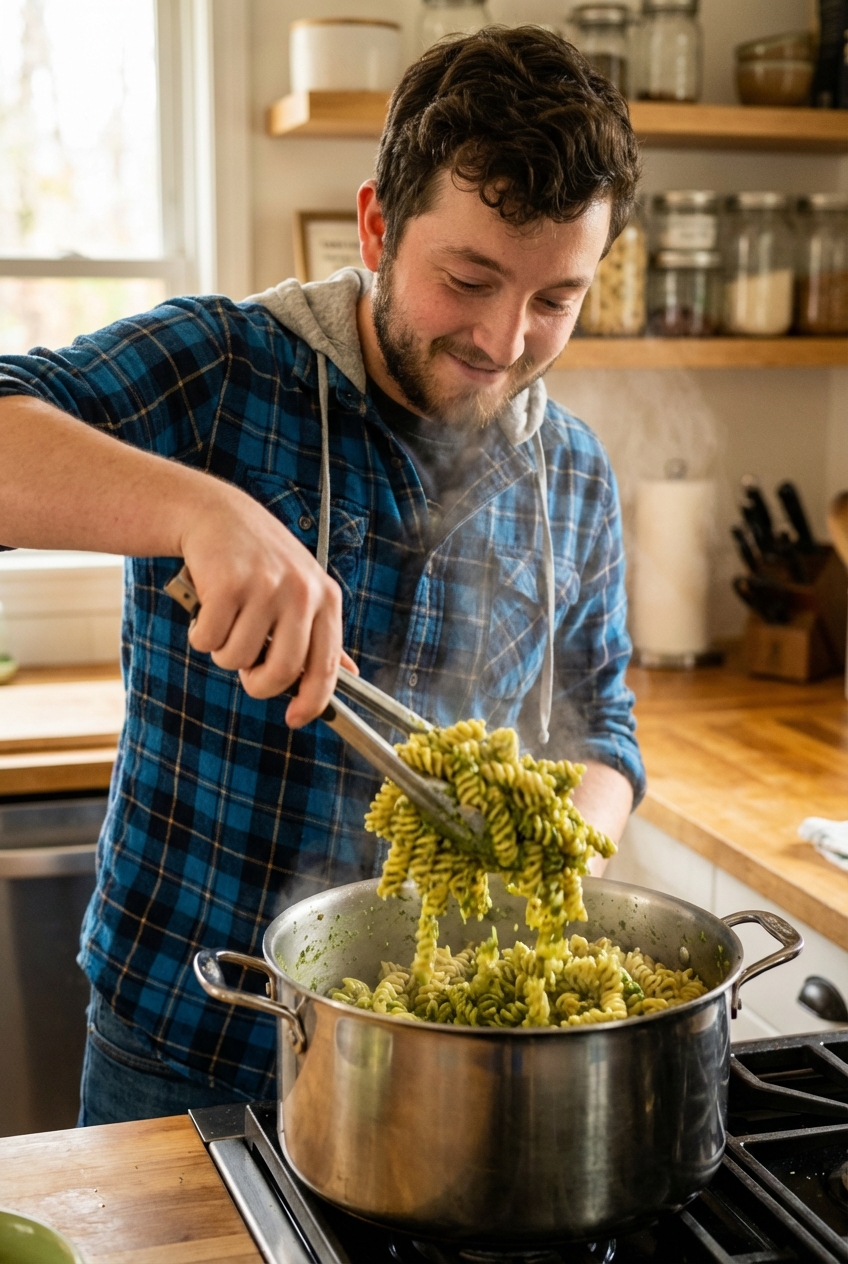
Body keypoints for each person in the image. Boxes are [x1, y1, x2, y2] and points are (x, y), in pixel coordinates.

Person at [0, 26, 644, 1124]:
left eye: (554, 300)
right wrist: (199, 508)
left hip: (442, 1061)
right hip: (187, 1048)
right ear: (377, 227)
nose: (502, 338)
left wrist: (553, 838)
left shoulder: (569, 472)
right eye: (469, 279)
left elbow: (602, 728)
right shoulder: (222, 370)